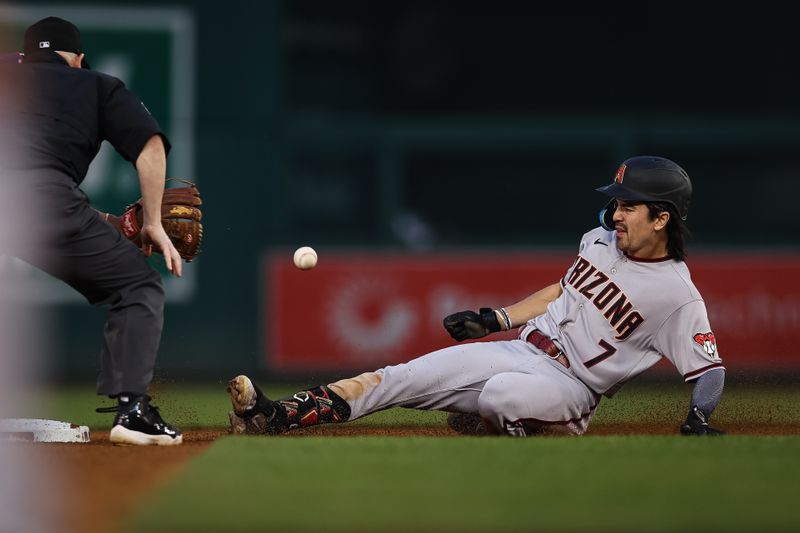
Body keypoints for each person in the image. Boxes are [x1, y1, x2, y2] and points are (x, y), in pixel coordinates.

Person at [227, 155, 725, 437]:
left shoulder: (678, 295)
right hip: (523, 349)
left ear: (662, 218)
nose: (615, 214)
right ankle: (276, 416)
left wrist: (699, 416)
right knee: (395, 378)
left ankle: (503, 420)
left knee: (500, 396)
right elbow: (562, 290)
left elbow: (710, 369)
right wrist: (496, 320)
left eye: (629, 206)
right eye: (614, 204)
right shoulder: (598, 240)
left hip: (573, 388)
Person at [0, 17, 183, 445]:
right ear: (78, 60)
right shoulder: (97, 85)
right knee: (137, 288)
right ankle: (132, 412)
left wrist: (111, 226)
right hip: (43, 199)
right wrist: (152, 222)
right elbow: (149, 145)